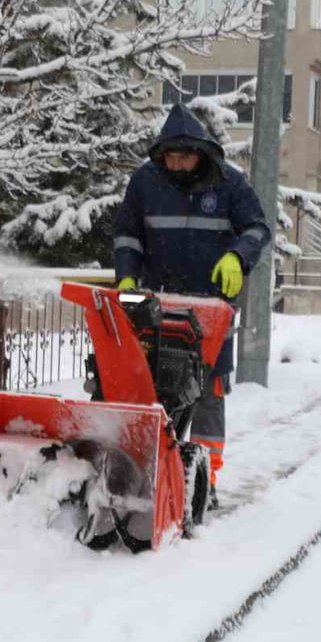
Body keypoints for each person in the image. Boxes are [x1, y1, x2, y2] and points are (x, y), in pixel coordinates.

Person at [113, 103, 271, 506]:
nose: (177, 163)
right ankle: (147, 469)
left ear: (201, 152)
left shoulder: (230, 185)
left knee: (207, 394)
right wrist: (127, 276)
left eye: (184, 156)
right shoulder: (145, 183)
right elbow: (127, 234)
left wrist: (238, 256)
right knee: (148, 388)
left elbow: (256, 227)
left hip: (209, 312)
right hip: (154, 306)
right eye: (170, 156)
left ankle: (204, 477)